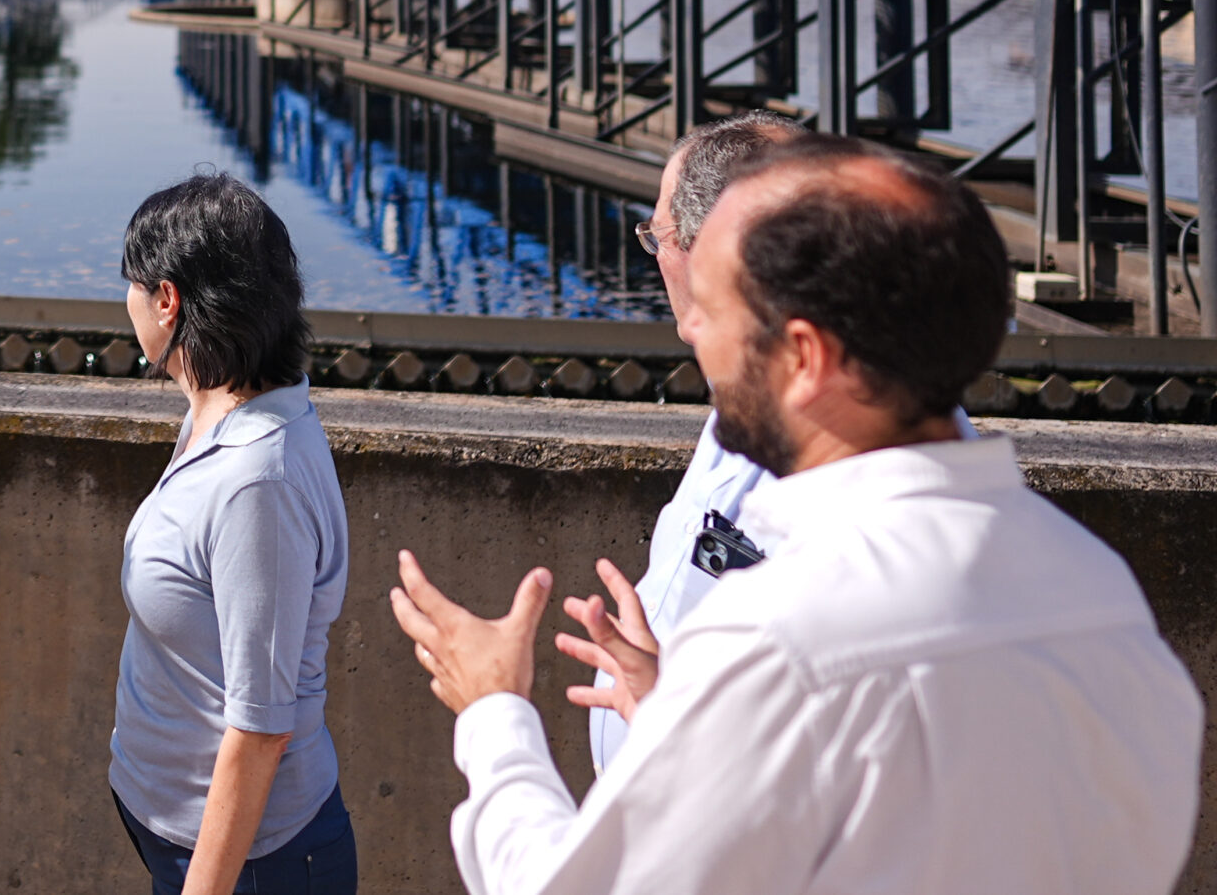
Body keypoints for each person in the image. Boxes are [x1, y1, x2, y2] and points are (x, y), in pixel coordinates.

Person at [389, 136, 1202, 895]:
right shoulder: (1101, 593)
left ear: (805, 359)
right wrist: (695, 723)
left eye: (714, 310)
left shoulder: (780, 642)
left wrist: (495, 712)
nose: (694, 332)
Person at [110, 174, 355, 895]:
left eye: (132, 283)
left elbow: (260, 727)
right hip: (183, 837)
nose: (125, 303)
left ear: (167, 300)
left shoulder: (258, 483)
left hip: (251, 867)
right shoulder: (218, 413)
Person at [581, 111, 800, 771]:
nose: (658, 260)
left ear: (708, 257)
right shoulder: (734, 404)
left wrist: (494, 717)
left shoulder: (820, 450)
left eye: (658, 237)